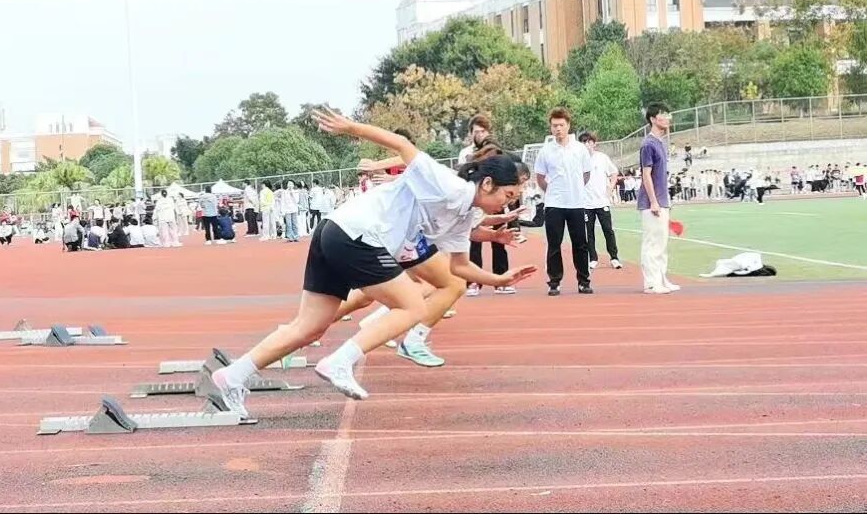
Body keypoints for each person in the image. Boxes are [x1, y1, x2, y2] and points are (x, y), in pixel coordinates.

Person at [210, 109, 536, 418]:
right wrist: (350, 128)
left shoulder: (465, 215)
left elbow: (459, 268)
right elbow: (403, 145)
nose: (506, 203)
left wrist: (500, 279)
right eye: (507, 195)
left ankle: (231, 378)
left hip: (336, 231)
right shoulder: (450, 185)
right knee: (412, 306)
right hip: (359, 234)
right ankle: (340, 362)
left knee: (309, 327)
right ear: (488, 183)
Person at [534, 108, 592, 297]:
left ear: (568, 125)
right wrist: (552, 191)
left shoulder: (580, 149)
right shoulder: (546, 151)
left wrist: (576, 188)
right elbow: (540, 177)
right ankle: (554, 282)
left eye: (561, 125)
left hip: (576, 203)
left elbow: (586, 174)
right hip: (554, 204)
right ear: (550, 127)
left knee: (580, 244)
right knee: (554, 244)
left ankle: (583, 281)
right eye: (554, 126)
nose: (558, 129)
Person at [638, 103, 679, 295]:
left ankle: (661, 278)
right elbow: (646, 174)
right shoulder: (648, 144)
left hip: (662, 200)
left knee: (661, 243)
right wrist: (653, 201)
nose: (668, 118)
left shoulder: (660, 143)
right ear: (653, 119)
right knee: (652, 243)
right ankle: (651, 283)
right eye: (664, 115)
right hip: (651, 202)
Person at [578, 132, 623, 271]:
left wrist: (611, 187)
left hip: (602, 202)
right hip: (586, 203)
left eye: (589, 142)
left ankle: (614, 258)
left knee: (608, 230)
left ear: (594, 143)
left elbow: (614, 172)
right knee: (589, 233)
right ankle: (593, 258)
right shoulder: (578, 160)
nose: (586, 145)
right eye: (583, 142)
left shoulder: (602, 158)